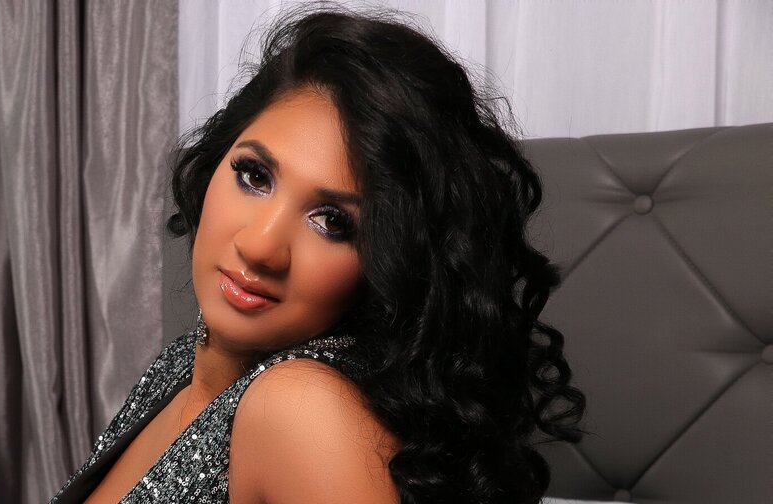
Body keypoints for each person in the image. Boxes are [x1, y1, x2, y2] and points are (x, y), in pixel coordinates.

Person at [50, 5, 585, 504]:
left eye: (333, 222)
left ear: (393, 262)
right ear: (215, 161)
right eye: (254, 176)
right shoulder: (183, 364)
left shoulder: (301, 408)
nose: (261, 246)